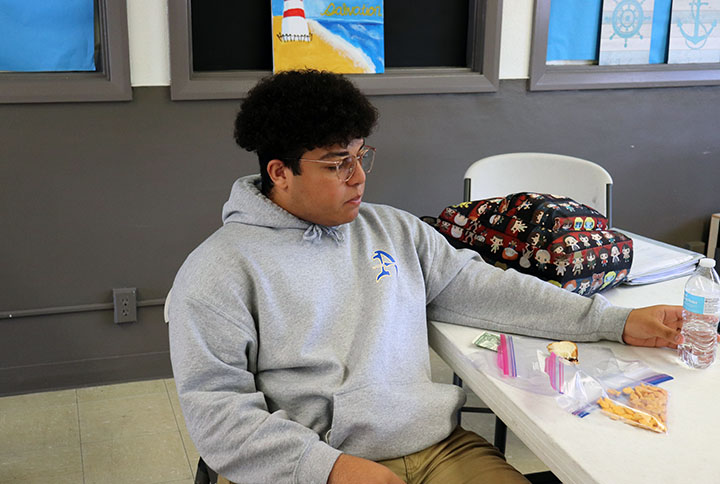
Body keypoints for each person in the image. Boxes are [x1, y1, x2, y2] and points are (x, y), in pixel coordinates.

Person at [168, 70, 684, 484]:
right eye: (336, 164)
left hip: (437, 449)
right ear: (280, 172)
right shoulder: (218, 272)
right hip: (314, 463)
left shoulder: (392, 229)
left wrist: (613, 322)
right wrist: (329, 471)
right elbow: (216, 411)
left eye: (361, 155)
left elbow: (483, 288)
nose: (359, 177)